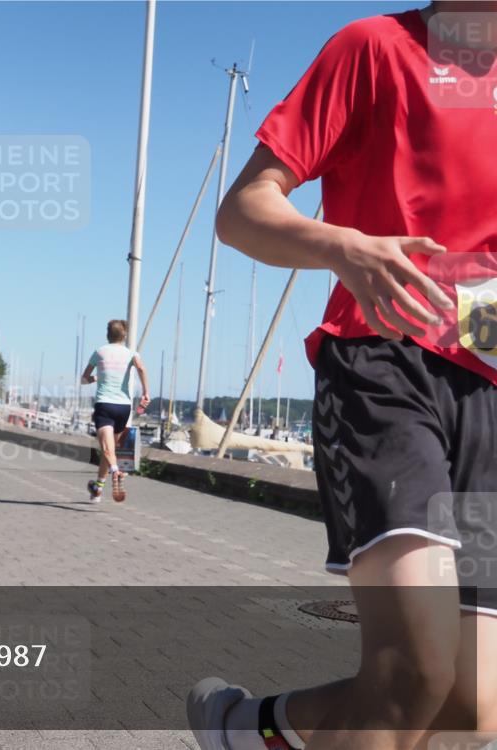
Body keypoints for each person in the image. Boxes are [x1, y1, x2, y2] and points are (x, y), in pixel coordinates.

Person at [186, 3, 496, 749]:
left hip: (486, 390)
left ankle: (252, 728)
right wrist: (341, 247)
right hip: (383, 365)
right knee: (414, 670)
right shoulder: (374, 47)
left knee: (470, 702)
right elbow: (241, 210)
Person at [79, 319, 150, 503]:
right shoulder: (131, 353)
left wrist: (96, 378)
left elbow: (84, 379)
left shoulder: (99, 352)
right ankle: (97, 489)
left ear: (107, 334)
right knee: (109, 450)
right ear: (124, 336)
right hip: (123, 408)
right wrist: (146, 393)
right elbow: (141, 368)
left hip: (104, 406)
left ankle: (116, 472)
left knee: (107, 449)